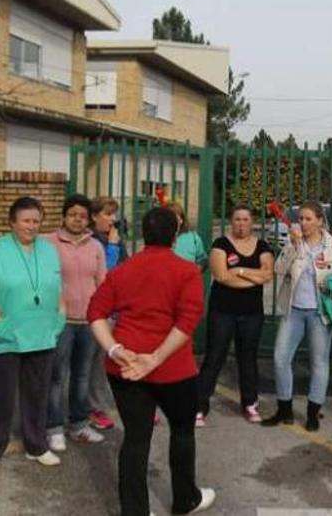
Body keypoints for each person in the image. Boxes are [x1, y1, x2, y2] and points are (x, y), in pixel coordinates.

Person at [88, 207, 216, 516]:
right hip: (173, 369)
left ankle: (134, 511)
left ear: (143, 233)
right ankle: (185, 500)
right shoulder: (186, 271)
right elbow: (187, 322)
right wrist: (155, 359)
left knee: (135, 438)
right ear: (175, 235)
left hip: (126, 366)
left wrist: (115, 349)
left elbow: (95, 313)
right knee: (183, 431)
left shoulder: (123, 270)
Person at [0, 197, 65, 471]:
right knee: (1, 396)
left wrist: (59, 317)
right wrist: (0, 324)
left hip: (41, 335)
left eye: (36, 220)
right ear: (12, 222)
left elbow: (57, 286)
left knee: (37, 394)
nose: (31, 226)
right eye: (26, 220)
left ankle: (36, 445)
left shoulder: (48, 250)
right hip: (3, 338)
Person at [261, 202, 332, 431]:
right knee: (281, 358)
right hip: (294, 310)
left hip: (320, 312)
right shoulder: (294, 243)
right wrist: (292, 246)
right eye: (301, 218)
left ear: (320, 221)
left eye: (308, 219)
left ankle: (312, 412)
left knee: (319, 362)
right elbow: (279, 270)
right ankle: (285, 409)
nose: (303, 223)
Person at [196, 205, 275, 426]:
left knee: (248, 358)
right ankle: (200, 406)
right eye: (237, 219)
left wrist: (239, 271)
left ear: (253, 222)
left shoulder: (263, 246)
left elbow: (268, 275)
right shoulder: (220, 244)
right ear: (231, 221)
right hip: (223, 311)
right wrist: (253, 277)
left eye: (245, 219)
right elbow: (221, 276)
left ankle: (250, 404)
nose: (241, 223)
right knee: (214, 357)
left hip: (252, 314)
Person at [44, 195, 108, 450]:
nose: (77, 220)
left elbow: (102, 283)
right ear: (64, 216)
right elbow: (18, 244)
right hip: (61, 321)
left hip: (89, 321)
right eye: (73, 214)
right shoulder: (47, 242)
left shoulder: (96, 246)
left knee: (82, 376)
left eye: (82, 216)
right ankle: (54, 427)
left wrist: (102, 315)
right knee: (57, 376)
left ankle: (79, 424)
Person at [90, 196, 128, 271]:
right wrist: (112, 246)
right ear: (94, 216)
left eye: (114, 214)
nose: (113, 219)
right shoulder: (89, 240)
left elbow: (126, 263)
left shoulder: (115, 237)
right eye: (108, 214)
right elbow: (104, 271)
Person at [168, 201, 209, 270]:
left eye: (174, 217)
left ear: (181, 220)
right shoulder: (158, 237)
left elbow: (203, 260)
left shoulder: (193, 238)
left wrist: (195, 270)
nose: (171, 221)